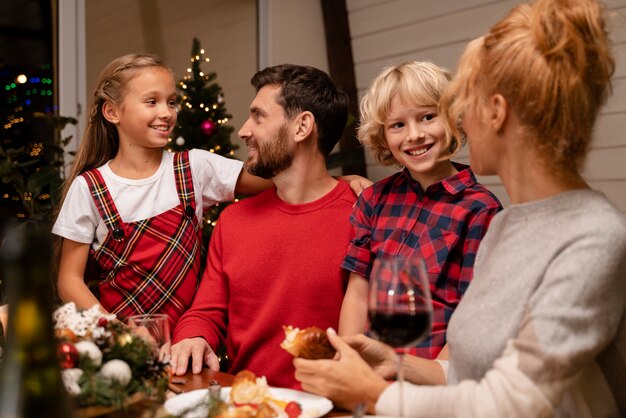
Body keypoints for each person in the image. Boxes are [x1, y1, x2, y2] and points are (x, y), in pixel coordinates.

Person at [293, 0, 626, 416]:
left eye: (462, 105)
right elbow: (474, 375)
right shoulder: (509, 225)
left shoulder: (594, 236)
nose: (459, 121)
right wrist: (393, 364)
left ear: (496, 113)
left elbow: (511, 402)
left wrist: (372, 395)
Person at [170, 64, 357, 389]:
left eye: (258, 117)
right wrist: (193, 336)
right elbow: (207, 310)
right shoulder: (233, 221)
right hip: (249, 405)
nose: (244, 130)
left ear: (302, 127)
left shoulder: (362, 216)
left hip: (332, 408)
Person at [52, 54, 271, 329]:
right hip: (123, 353)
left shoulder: (194, 167)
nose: (166, 113)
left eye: (171, 101)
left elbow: (280, 183)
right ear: (112, 112)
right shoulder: (89, 188)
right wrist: (119, 333)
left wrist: (338, 180)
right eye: (151, 101)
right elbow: (69, 281)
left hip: (191, 343)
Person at [339, 61, 501, 360]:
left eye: (427, 117)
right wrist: (350, 361)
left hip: (434, 376)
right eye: (398, 125)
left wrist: (433, 383)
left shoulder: (481, 209)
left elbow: (473, 314)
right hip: (372, 372)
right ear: (383, 135)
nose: (414, 135)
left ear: (453, 118)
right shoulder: (373, 200)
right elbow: (358, 294)